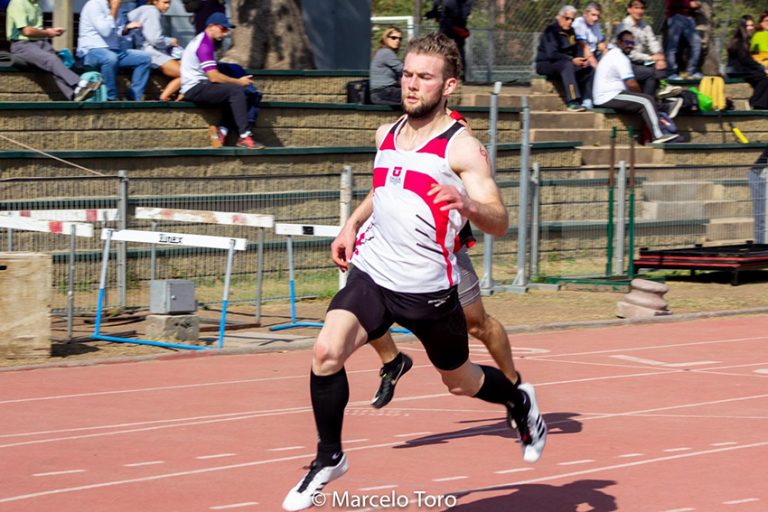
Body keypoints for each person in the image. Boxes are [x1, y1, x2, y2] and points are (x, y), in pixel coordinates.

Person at [281, 32, 547, 512]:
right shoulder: (386, 134)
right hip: (375, 273)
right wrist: (352, 224)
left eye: (424, 77)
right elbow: (383, 189)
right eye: (407, 74)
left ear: (448, 86)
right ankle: (329, 456)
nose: (411, 84)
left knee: (460, 381)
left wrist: (467, 203)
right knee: (326, 352)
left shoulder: (462, 147)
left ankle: (517, 403)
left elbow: (501, 221)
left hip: (428, 289)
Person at [180, 12, 265, 149]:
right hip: (195, 88)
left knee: (246, 91)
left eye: (227, 30)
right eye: (223, 29)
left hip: (202, 84)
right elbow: (214, 76)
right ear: (211, 26)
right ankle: (244, 136)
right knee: (237, 91)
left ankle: (222, 131)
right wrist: (239, 82)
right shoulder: (204, 45)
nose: (225, 33)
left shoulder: (208, 42)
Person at [5, 0, 102, 101]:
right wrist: (48, 32)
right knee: (51, 60)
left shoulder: (35, 4)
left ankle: (74, 94)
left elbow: (36, 30)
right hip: (22, 45)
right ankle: (80, 84)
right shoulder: (18, 3)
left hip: (39, 43)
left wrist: (51, 31)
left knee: (60, 62)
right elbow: (27, 31)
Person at [593, 31, 679, 145]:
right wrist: (641, 96)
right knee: (646, 101)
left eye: (632, 43)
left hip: (612, 94)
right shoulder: (619, 57)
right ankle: (658, 135)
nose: (630, 45)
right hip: (607, 96)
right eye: (627, 42)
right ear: (619, 43)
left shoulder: (617, 54)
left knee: (647, 96)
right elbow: (631, 83)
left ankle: (663, 108)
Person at [77, 0, 152, 101]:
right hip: (91, 51)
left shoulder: (118, 8)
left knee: (144, 58)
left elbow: (117, 32)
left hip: (113, 51)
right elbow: (105, 31)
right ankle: (111, 98)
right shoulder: (94, 5)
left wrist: (126, 29)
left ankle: (134, 97)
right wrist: (114, 9)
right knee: (110, 58)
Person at [617, 0, 681, 100]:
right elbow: (629, 52)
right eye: (636, 8)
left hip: (639, 61)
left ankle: (655, 97)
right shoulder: (624, 27)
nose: (640, 11)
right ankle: (651, 97)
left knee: (658, 66)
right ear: (629, 9)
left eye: (642, 8)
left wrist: (659, 57)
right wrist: (651, 57)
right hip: (625, 63)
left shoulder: (645, 26)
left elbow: (653, 42)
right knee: (651, 72)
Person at [535, 5, 593, 112]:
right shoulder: (551, 31)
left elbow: (576, 50)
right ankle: (573, 102)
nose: (570, 22)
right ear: (559, 17)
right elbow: (552, 54)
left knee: (588, 68)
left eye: (572, 19)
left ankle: (587, 99)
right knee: (567, 65)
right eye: (567, 18)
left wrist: (581, 60)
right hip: (546, 63)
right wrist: (571, 60)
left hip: (565, 62)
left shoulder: (571, 32)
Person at [128, 0, 182, 101]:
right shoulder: (153, 12)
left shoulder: (143, 10)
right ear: (155, 1)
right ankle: (164, 96)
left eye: (169, 3)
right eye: (165, 2)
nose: (167, 6)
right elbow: (155, 39)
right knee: (186, 73)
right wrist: (171, 41)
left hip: (147, 50)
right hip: (152, 53)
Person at [727, 15, 768, 110]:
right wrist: (761, 68)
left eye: (752, 25)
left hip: (742, 68)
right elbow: (745, 60)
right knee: (764, 78)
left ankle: (761, 103)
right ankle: (755, 102)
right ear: (742, 26)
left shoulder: (746, 40)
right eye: (747, 26)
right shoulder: (739, 41)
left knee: (762, 77)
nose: (750, 28)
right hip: (736, 70)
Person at [425, 0, 472, 79]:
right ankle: (445, 73)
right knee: (444, 51)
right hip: (445, 28)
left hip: (455, 29)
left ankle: (459, 75)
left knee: (456, 52)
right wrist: (431, 14)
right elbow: (436, 10)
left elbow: (464, 12)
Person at [664, 0, 702, 80]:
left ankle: (692, 71)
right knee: (672, 46)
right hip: (675, 16)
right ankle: (671, 73)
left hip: (689, 17)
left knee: (696, 43)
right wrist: (689, 4)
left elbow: (694, 4)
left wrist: (697, 4)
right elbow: (671, 3)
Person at [369, 26, 404, 106]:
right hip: (382, 93)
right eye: (394, 38)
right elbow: (403, 70)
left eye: (400, 39)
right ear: (386, 38)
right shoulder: (386, 53)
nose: (397, 41)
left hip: (382, 93)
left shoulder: (382, 51)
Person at [573, 2, 607, 73]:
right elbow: (585, 49)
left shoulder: (595, 24)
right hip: (582, 56)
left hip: (594, 53)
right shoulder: (579, 24)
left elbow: (601, 45)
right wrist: (600, 72)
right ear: (585, 13)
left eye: (597, 16)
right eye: (593, 15)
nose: (596, 18)